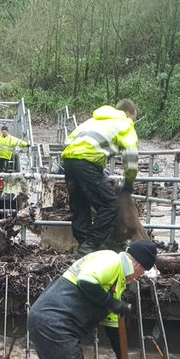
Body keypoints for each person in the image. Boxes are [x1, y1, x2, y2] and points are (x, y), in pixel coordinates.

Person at [28, 240, 158, 359]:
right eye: (143, 272)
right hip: (52, 323)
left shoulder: (117, 282)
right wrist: (114, 303)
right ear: (138, 266)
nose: (141, 276)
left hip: (56, 326)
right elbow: (86, 281)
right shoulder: (111, 260)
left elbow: (113, 328)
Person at [60, 99, 139, 255]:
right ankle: (92, 244)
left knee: (80, 205)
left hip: (69, 161)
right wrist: (129, 182)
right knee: (109, 205)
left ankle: (83, 246)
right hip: (88, 162)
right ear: (128, 113)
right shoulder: (125, 124)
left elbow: (67, 141)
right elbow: (130, 157)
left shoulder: (91, 121)